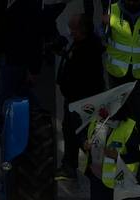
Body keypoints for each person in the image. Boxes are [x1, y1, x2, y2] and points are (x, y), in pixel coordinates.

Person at [57, 14, 106, 180]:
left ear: (82, 31)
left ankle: (88, 167)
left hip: (80, 101)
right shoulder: (83, 44)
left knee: (78, 135)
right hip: (75, 99)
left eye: (73, 30)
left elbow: (81, 78)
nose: (70, 34)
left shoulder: (87, 50)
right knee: (71, 131)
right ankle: (72, 165)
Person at [104, 0, 140, 86]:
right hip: (116, 75)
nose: (132, 2)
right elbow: (101, 39)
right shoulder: (112, 10)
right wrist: (103, 27)